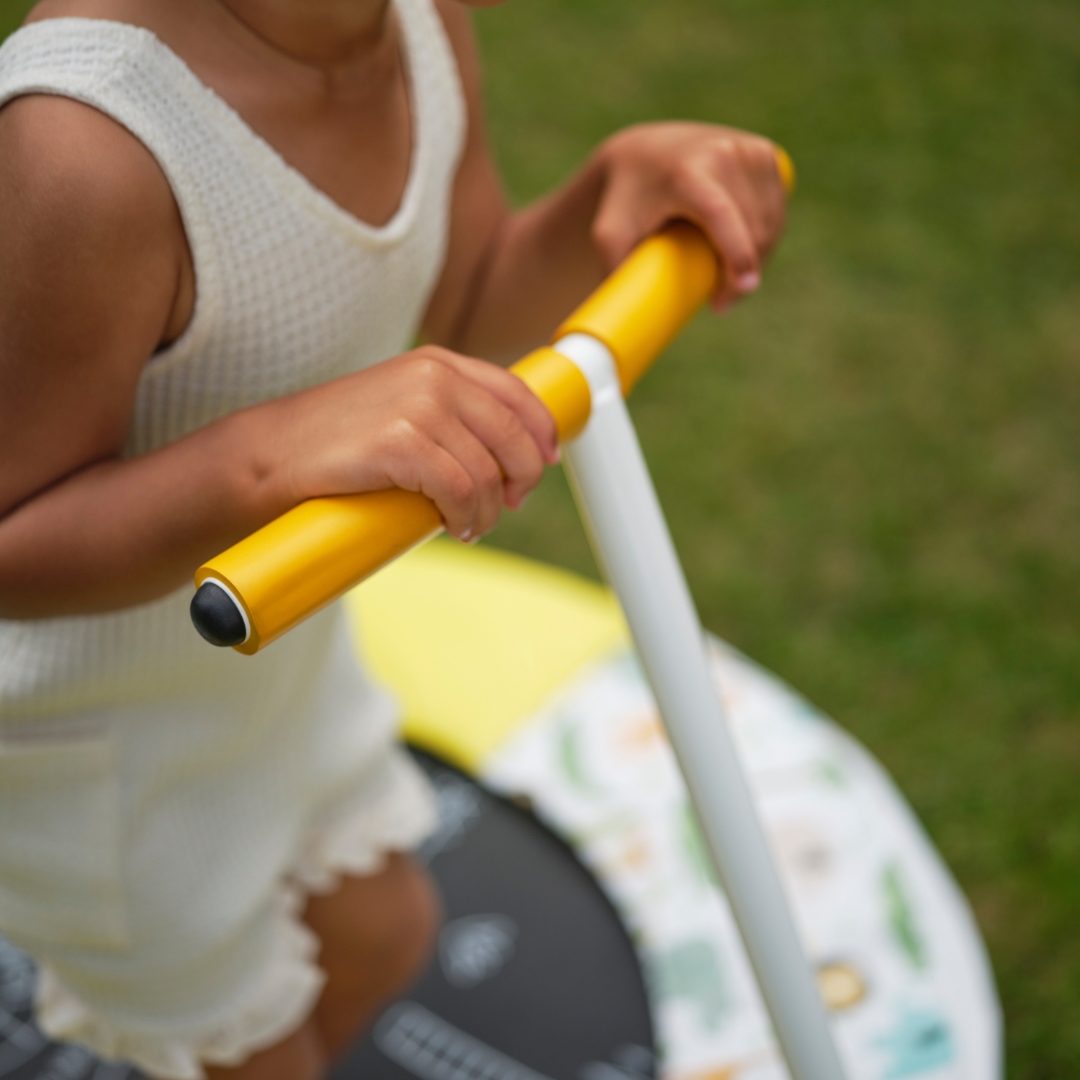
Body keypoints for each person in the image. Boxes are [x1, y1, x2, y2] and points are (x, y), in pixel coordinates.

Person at [0, 0, 788, 1077]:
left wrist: (601, 202)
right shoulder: (88, 148)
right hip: (95, 755)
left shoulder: (417, 23)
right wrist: (268, 457)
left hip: (272, 675)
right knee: (251, 1051)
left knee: (385, 933)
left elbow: (462, 307)